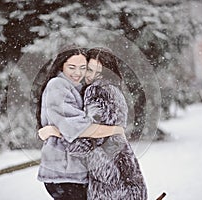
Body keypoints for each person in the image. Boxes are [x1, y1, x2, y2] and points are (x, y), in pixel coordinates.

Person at [40, 47, 148, 200]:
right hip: (65, 174)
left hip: (78, 174)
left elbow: (80, 131)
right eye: (72, 67)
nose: (80, 73)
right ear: (61, 66)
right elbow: (77, 129)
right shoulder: (59, 85)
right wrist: (115, 130)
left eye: (83, 68)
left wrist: (55, 131)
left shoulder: (90, 90)